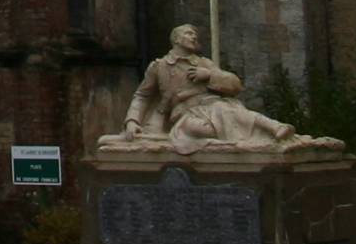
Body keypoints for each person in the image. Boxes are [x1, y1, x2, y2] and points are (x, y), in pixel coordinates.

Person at [115, 24, 335, 152]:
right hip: (185, 113)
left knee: (232, 111)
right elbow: (142, 96)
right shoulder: (159, 66)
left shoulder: (203, 63)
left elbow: (234, 84)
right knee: (205, 126)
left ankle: (276, 129)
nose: (194, 38)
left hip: (213, 105)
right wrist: (132, 121)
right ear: (176, 39)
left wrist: (209, 75)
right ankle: (264, 134)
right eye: (189, 34)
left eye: (195, 35)